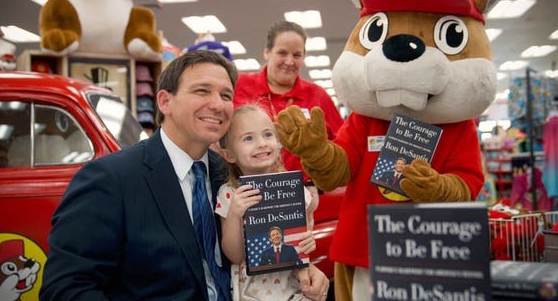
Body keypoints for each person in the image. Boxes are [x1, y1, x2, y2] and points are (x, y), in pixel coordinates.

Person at [39, 50, 328, 301]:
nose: (218, 104)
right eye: (202, 91)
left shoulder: (232, 175)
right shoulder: (109, 179)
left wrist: (304, 269)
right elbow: (66, 287)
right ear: (165, 102)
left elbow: (263, 250)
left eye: (226, 95)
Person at [215, 104, 326, 301]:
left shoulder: (293, 188)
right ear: (229, 155)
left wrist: (308, 239)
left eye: (268, 134)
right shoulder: (230, 194)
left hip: (294, 289)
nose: (262, 144)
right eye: (248, 138)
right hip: (251, 292)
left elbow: (305, 227)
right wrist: (234, 214)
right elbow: (234, 255)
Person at [232, 21, 344, 181]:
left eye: (297, 55)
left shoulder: (317, 95)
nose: (290, 62)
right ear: (267, 52)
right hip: (246, 190)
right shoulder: (240, 85)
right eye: (282, 53)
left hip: (304, 194)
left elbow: (342, 145)